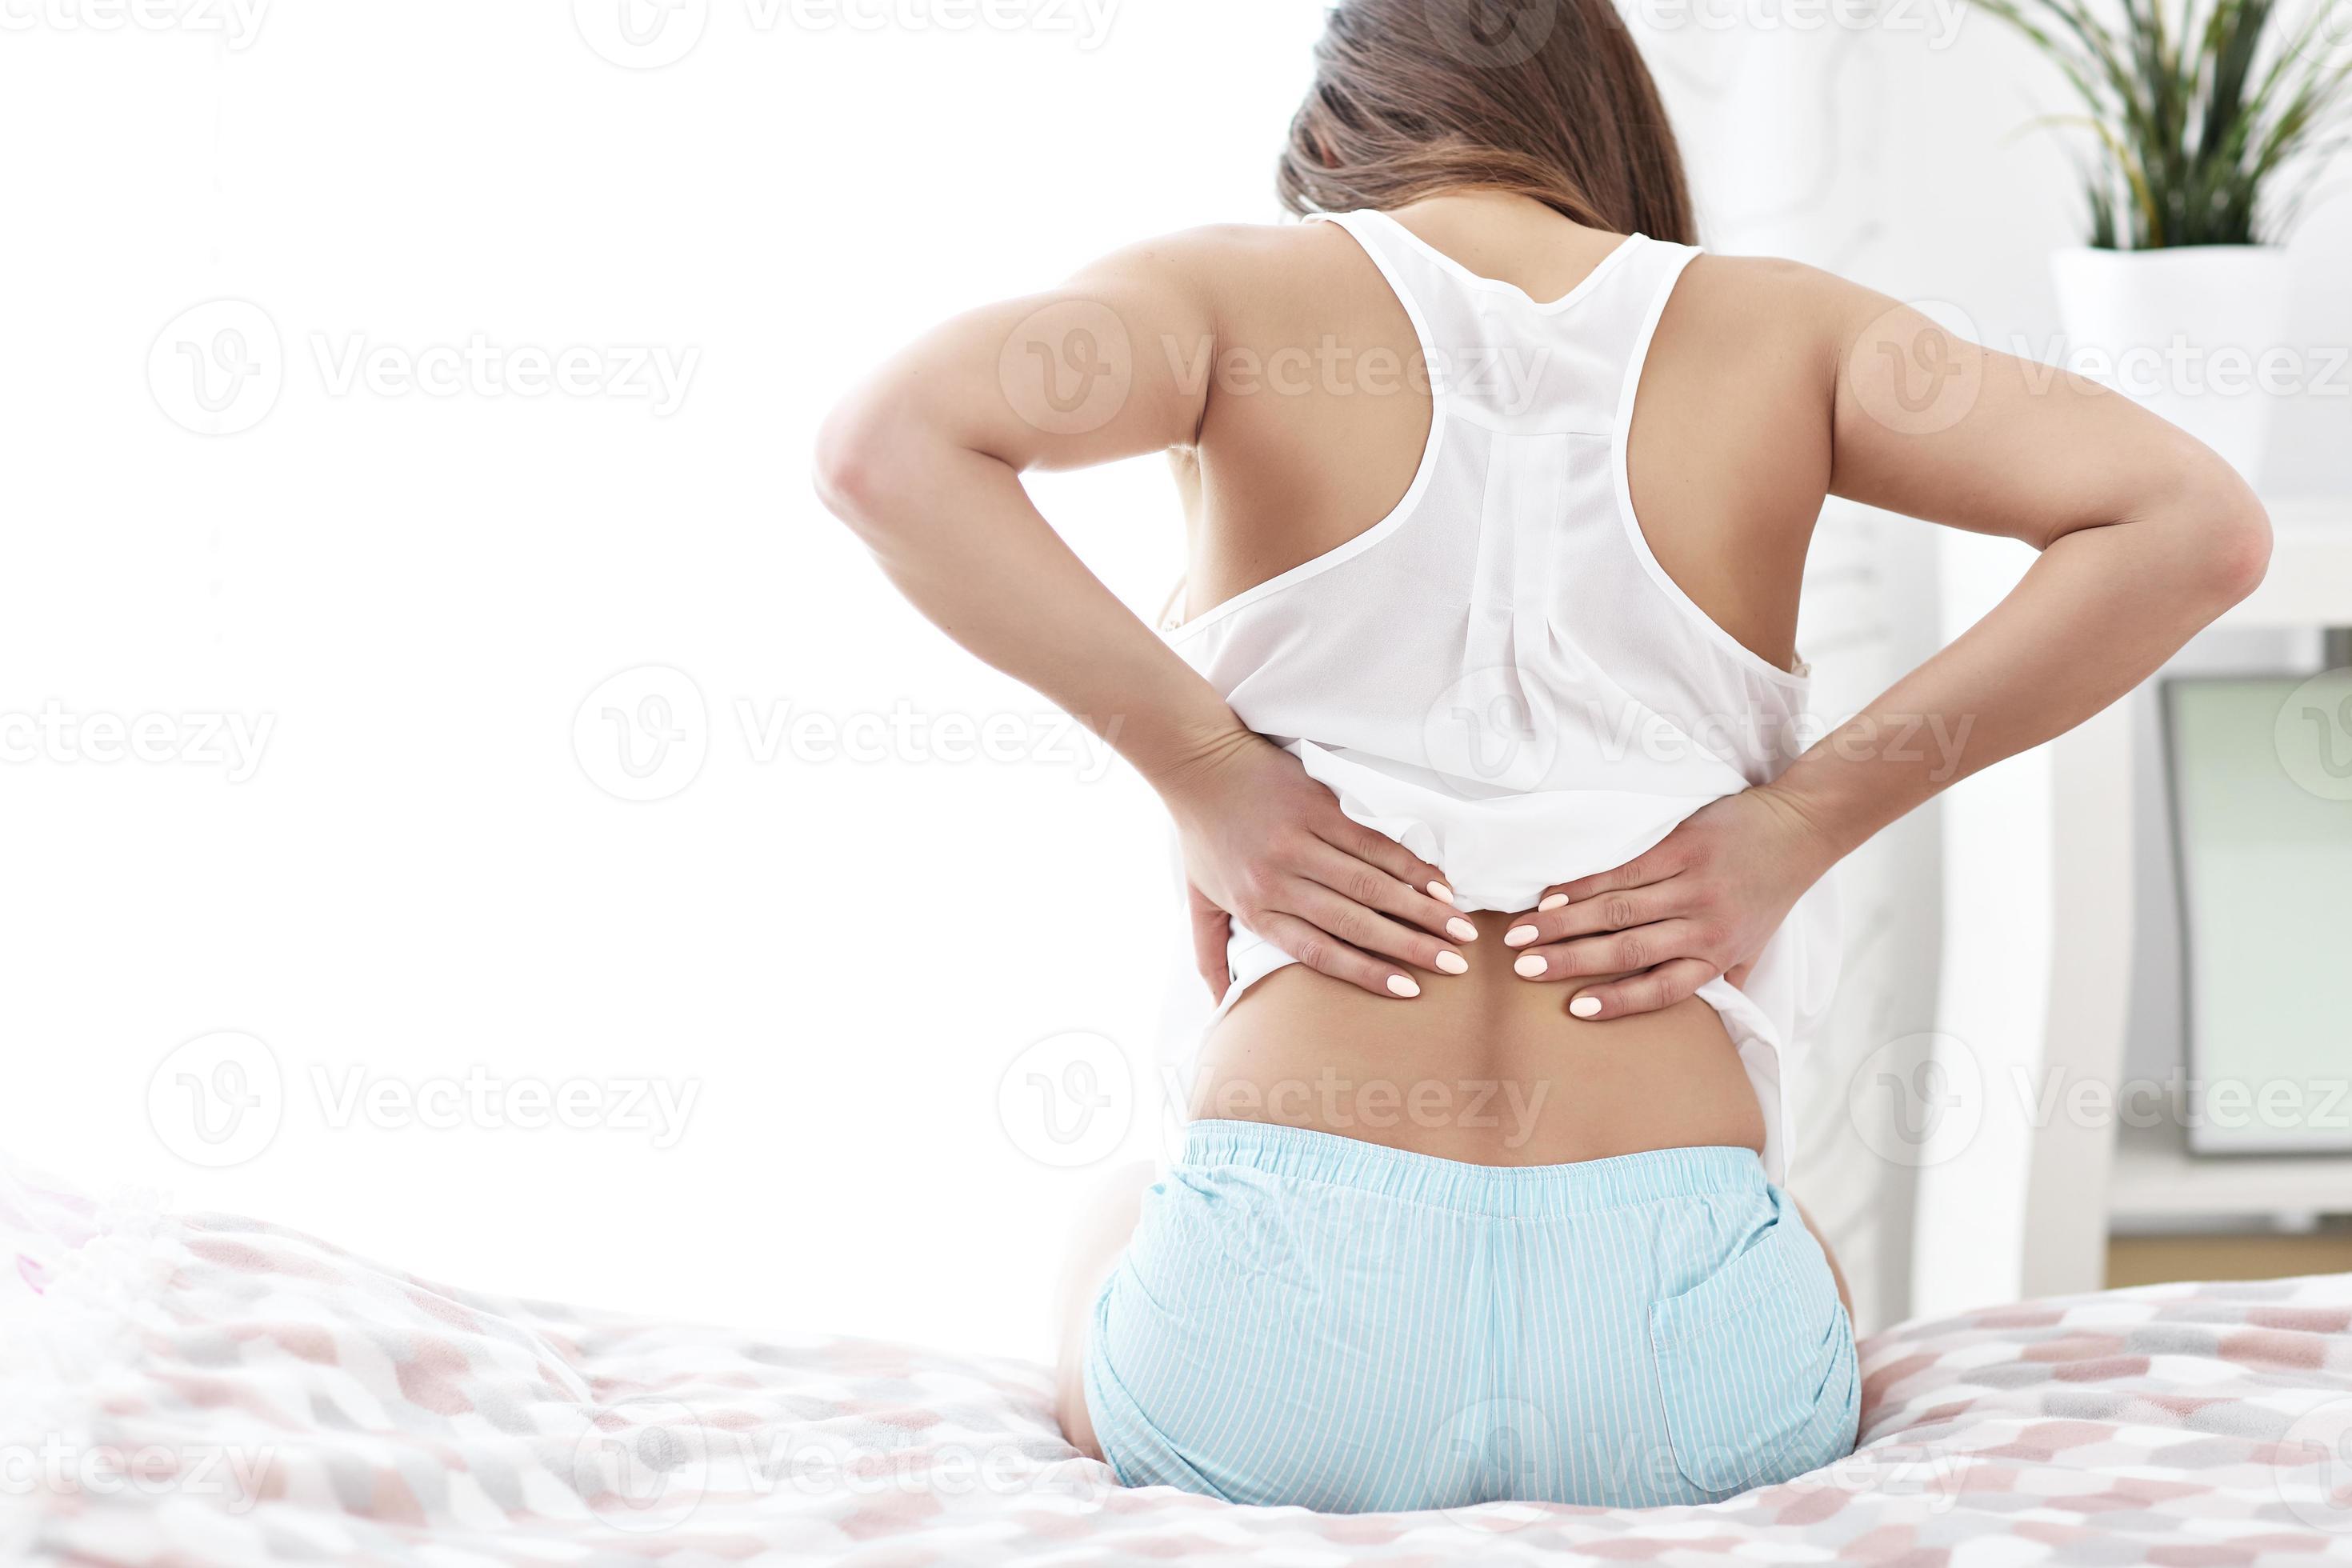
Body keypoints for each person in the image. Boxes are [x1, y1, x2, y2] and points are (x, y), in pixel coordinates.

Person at [812, 0, 2269, 1511]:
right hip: (1687, 1377)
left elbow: (884, 448)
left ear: (1330, 147)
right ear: (1612, 131)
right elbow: (2198, 527)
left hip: (1267, 1351)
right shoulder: (1788, 330)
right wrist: (1798, 823)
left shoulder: (1228, 298)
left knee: (1117, 1205)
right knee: (1800, 1244)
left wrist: (1208, 774)